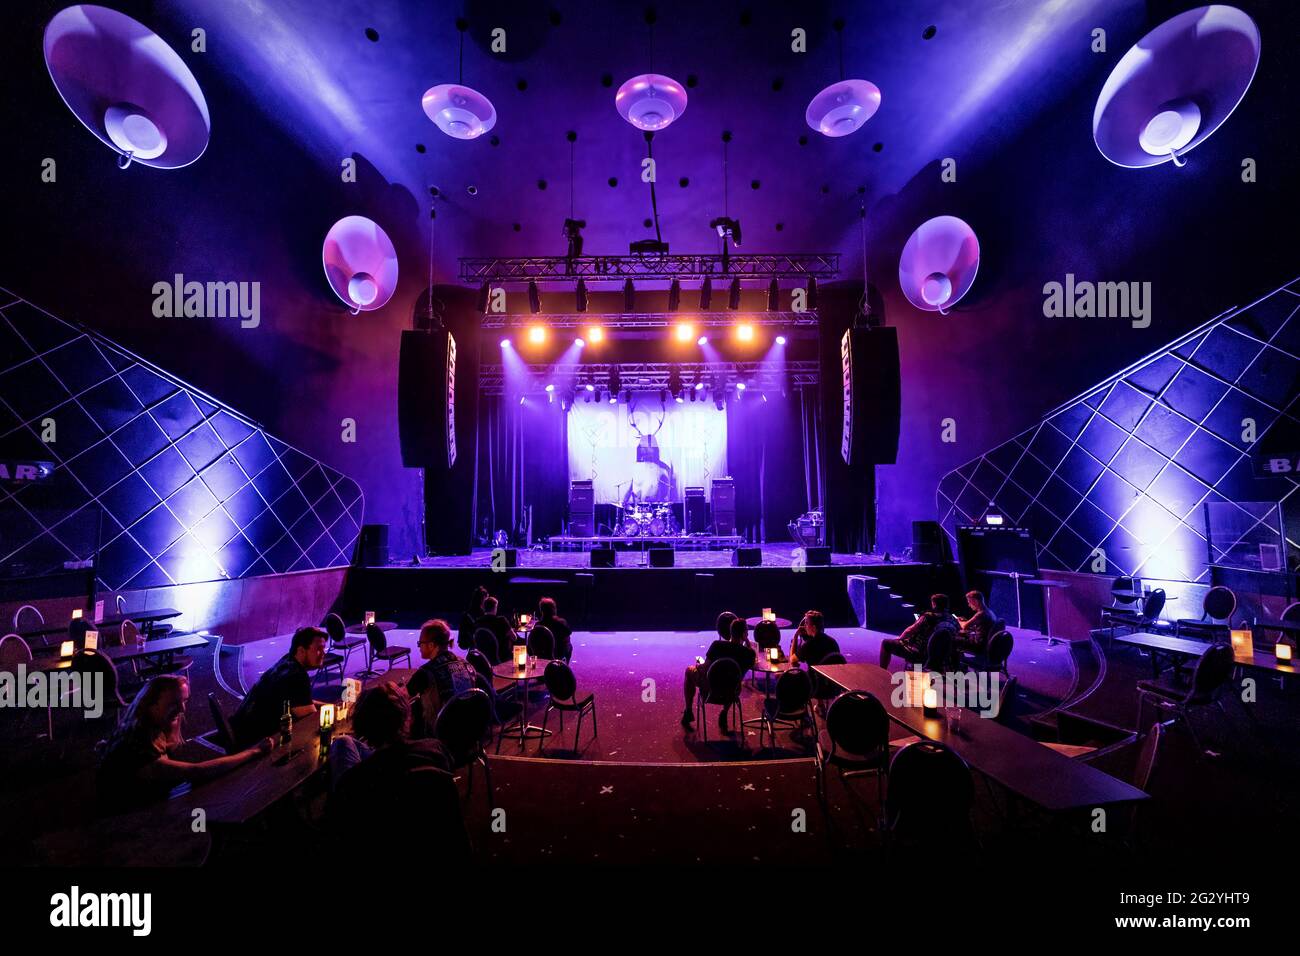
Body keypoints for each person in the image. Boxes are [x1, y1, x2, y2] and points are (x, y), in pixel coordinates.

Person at [97, 675, 273, 814]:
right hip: (126, 819)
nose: (183, 709)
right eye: (174, 703)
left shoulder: (148, 723)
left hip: (141, 802)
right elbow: (197, 771)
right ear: (151, 704)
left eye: (185, 701)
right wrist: (255, 751)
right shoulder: (140, 738)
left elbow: (174, 751)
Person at [328, 684, 467, 857]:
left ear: (362, 727)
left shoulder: (355, 782)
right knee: (346, 743)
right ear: (407, 718)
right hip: (439, 846)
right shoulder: (436, 750)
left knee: (342, 743)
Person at [229, 626, 327, 748]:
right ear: (301, 650)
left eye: (324, 648)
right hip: (255, 744)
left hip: (241, 731)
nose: (324, 653)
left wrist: (328, 707)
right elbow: (311, 720)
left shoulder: (287, 662)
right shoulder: (296, 676)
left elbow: (301, 702)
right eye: (319, 649)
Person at [682, 615, 757, 731]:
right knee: (732, 680)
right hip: (732, 693)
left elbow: (706, 668)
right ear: (744, 634)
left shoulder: (717, 645)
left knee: (688, 670)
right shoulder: (748, 654)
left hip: (711, 690)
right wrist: (746, 641)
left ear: (730, 632)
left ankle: (688, 711)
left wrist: (699, 666)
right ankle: (724, 712)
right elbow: (753, 663)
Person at [879, 594, 959, 669]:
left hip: (920, 654)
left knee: (886, 643)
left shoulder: (928, 616)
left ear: (934, 604)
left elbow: (910, 630)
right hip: (943, 655)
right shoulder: (952, 618)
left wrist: (900, 638)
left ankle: (882, 672)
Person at [476, 595, 516, 661]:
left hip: (484, 659)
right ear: (495, 607)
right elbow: (514, 638)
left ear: (484, 608)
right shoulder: (501, 620)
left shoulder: (478, 622)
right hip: (502, 657)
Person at [537, 597, 573, 662]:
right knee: (570, 646)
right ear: (553, 609)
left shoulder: (538, 625)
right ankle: (565, 666)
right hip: (558, 652)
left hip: (542, 653)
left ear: (541, 610)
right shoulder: (561, 622)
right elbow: (568, 635)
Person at [458, 585, 488, 650]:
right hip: (481, 650)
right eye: (486, 599)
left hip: (472, 650)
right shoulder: (484, 615)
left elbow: (462, 643)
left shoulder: (466, 615)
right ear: (483, 599)